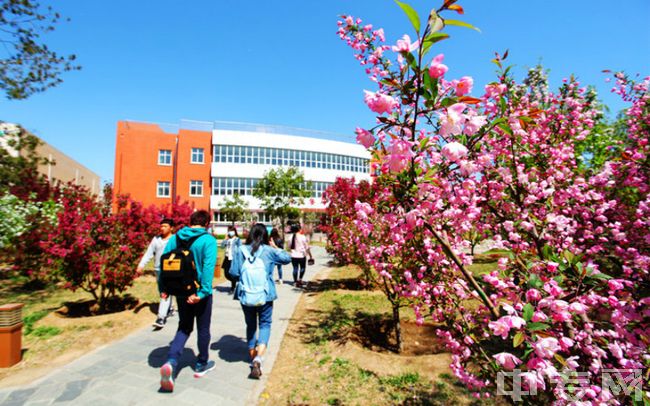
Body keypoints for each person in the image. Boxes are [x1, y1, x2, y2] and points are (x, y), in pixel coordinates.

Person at [159, 210, 217, 392]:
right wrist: (203, 291)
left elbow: (164, 263)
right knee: (203, 328)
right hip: (199, 293)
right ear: (207, 223)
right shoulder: (208, 240)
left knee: (184, 326)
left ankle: (171, 361)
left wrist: (164, 289)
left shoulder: (175, 238)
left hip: (180, 291)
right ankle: (201, 362)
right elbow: (208, 267)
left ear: (190, 222)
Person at [229, 223, 291, 379]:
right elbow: (287, 258)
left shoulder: (240, 250)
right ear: (265, 236)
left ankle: (252, 355)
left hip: (246, 295)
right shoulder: (269, 251)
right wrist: (275, 246)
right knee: (265, 324)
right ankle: (258, 358)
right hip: (266, 295)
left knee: (250, 325)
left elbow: (234, 273)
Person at [137, 218, 175, 328]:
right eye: (161, 226)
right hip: (158, 269)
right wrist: (141, 265)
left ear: (171, 228)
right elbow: (149, 253)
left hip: (170, 270)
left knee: (165, 292)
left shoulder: (175, 239)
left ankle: (161, 318)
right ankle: (170, 308)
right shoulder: (156, 239)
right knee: (164, 291)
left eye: (165, 226)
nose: (162, 228)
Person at [289, 223, 313, 288]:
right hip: (302, 255)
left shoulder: (290, 237)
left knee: (295, 268)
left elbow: (289, 247)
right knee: (302, 268)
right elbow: (307, 247)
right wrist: (310, 256)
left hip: (293, 255)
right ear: (299, 229)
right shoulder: (302, 237)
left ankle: (295, 281)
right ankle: (300, 279)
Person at [221, 225, 240, 294]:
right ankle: (236, 281)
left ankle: (233, 287)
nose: (230, 232)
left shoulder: (237, 239)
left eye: (231, 231)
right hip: (227, 257)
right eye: (229, 231)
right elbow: (222, 246)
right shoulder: (227, 239)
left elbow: (240, 248)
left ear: (234, 231)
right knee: (226, 274)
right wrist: (225, 239)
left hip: (233, 258)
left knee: (232, 273)